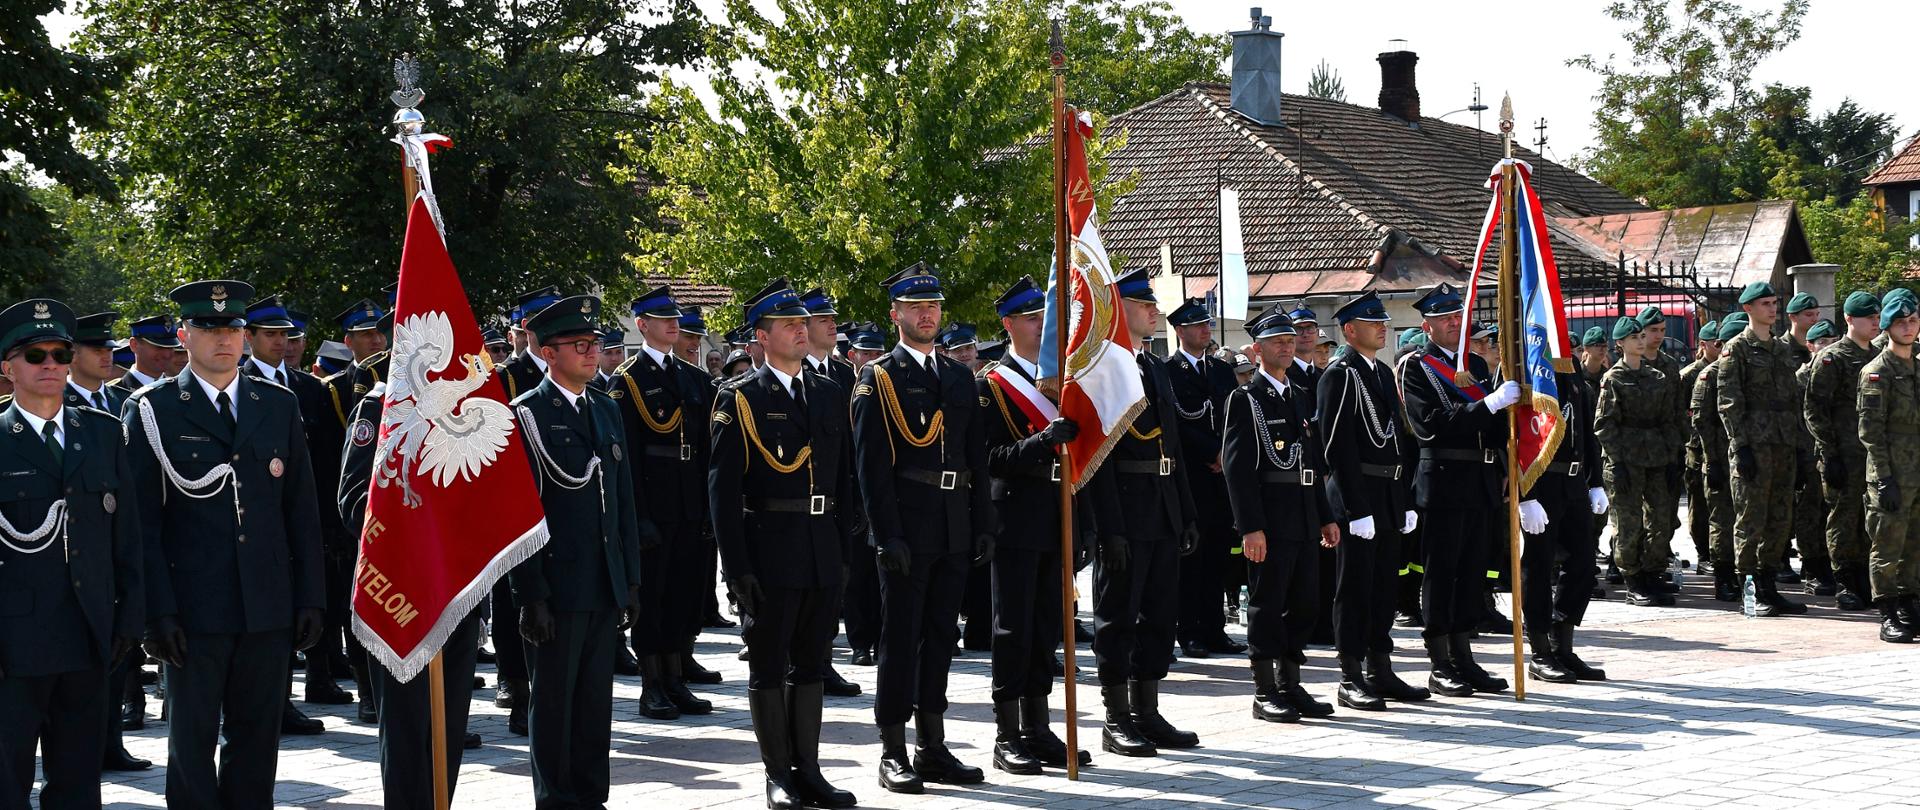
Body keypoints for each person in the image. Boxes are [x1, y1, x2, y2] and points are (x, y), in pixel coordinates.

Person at [124, 280, 327, 808]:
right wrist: (156, 614)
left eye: (233, 327)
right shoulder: (153, 409)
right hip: (193, 607)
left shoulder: (277, 404)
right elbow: (142, 526)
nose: (223, 338)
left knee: (257, 739)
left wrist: (310, 596)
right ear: (183, 335)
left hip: (266, 601)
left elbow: (301, 510)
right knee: (191, 742)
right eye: (209, 327)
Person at [710, 279, 860, 810]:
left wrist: (844, 553)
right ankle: (778, 774)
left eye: (803, 323)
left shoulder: (828, 391)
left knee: (812, 663)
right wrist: (737, 570)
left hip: (821, 546)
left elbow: (845, 481)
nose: (801, 331)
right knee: (769, 664)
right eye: (789, 325)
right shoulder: (741, 398)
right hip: (770, 548)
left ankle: (809, 770)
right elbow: (723, 494)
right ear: (762, 336)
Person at [851, 262, 993, 793]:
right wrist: (886, 534)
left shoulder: (957, 377)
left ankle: (932, 745)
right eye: (915, 308)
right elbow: (870, 468)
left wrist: (983, 521)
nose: (927, 315)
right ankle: (892, 749)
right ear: (896, 316)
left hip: (954, 523)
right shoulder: (879, 379)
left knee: (940, 638)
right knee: (900, 638)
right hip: (907, 526)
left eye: (932, 306)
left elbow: (975, 457)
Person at [0, 299, 144, 808]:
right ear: (7, 368)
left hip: (87, 631)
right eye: (35, 355)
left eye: (60, 354)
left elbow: (127, 535)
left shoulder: (101, 432)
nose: (50, 364)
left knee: (79, 781)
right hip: (14, 643)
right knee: (6, 780)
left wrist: (131, 617)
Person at [510, 294, 643, 809]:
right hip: (557, 585)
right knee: (553, 702)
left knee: (593, 701)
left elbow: (623, 502)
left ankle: (590, 795)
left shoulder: (605, 408)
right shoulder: (526, 415)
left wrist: (630, 579)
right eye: (579, 344)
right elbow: (520, 517)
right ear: (548, 352)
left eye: (594, 343)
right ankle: (556, 799)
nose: (592, 352)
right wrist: (531, 595)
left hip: (602, 580)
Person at [337, 388, 484, 810]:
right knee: (406, 727)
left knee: (449, 726)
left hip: (457, 592)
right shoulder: (378, 407)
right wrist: (418, 520)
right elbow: (352, 502)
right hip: (401, 594)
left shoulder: (465, 406)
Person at [1085, 268, 1202, 757]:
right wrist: (1108, 527)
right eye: (1144, 305)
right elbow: (1098, 457)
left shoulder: (1154, 367)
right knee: (1117, 617)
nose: (1155, 312)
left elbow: (1172, 444)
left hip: (1162, 507)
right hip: (1125, 511)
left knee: (1159, 615)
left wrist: (1186, 512)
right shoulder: (1102, 369)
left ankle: (1147, 711)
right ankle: (1116, 717)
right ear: (1119, 310)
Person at [975, 276, 1087, 773]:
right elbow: (989, 459)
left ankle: (1038, 727)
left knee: (1046, 628)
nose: (1042, 326)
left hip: (1056, 512)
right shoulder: (991, 385)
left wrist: (1082, 525)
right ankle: (1007, 734)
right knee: (1013, 628)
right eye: (1031, 318)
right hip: (1014, 516)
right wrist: (1042, 443)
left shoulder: (1062, 383)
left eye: (1045, 317)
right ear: (1008, 325)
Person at [1398, 283, 1518, 696]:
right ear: (1427, 327)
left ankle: (1464, 656)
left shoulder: (1477, 365)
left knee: (1471, 572)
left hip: (1481, 480)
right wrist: (1489, 405)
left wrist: (1510, 424)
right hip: (1444, 481)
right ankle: (1439, 662)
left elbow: (1494, 427)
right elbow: (1431, 425)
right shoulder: (1417, 367)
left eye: (1457, 317)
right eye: (1445, 318)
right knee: (1442, 571)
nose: (1453, 324)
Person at [1220, 304, 1338, 723]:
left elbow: (1311, 464)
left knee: (1304, 603)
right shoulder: (1246, 399)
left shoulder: (1299, 395)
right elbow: (1237, 469)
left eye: (1290, 341)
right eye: (1277, 342)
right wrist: (1250, 526)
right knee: (1267, 604)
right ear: (1257, 350)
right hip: (1270, 518)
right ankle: (1265, 689)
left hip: (1303, 516)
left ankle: (1291, 682)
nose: (1286, 347)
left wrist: (1325, 515)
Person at [1316, 292, 1426, 712]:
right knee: (1354, 589)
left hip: (1387, 493)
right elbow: (1336, 446)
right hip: (1357, 495)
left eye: (1383, 321)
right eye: (1372, 322)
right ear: (1349, 330)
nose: (1382, 327)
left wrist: (1404, 500)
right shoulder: (1340, 375)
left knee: (1384, 587)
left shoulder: (1380, 372)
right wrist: (1355, 508)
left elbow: (1397, 440)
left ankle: (1380, 668)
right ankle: (1350, 675)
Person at [610, 285, 710, 721]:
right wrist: (640, 516)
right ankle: (652, 683)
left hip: (688, 502)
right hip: (654, 502)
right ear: (642, 325)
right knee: (652, 597)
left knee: (684, 593)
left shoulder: (693, 377)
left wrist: (707, 507)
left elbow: (705, 449)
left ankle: (675, 677)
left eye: (675, 319)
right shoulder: (628, 381)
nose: (674, 325)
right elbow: (628, 457)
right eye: (664, 319)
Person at [490, 285, 563, 735]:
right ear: (526, 330)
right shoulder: (504, 377)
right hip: (515, 502)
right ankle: (516, 685)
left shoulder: (570, 371)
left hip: (560, 502)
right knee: (511, 599)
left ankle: (552, 690)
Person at [1519, 346, 1609, 683]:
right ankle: (1540, 651)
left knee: (1583, 564)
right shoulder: (1525, 364)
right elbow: (1516, 433)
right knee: (1539, 567)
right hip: (1540, 481)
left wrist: (1595, 481)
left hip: (1574, 481)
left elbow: (1585, 428)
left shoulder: (1569, 366)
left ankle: (1562, 642)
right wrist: (1524, 496)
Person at [1717, 283, 1807, 616]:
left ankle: (1770, 585)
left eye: (1774, 303)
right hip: (1753, 446)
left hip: (1783, 444)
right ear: (1748, 309)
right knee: (1751, 519)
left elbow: (1793, 400)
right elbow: (1729, 401)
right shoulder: (1736, 349)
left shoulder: (1782, 349)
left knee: (1779, 518)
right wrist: (1740, 446)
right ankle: (1750, 590)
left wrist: (1800, 447)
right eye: (1765, 304)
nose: (1772, 309)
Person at [1163, 298, 1244, 660]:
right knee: (1192, 556)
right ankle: (1190, 630)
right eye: (1197, 325)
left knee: (1218, 554)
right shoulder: (1169, 371)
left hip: (1223, 476)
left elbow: (1233, 417)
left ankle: (1214, 628)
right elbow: (1176, 424)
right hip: (1192, 474)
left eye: (1207, 323)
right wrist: (1212, 452)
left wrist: (1227, 453)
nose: (1205, 330)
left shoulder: (1222, 371)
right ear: (1180, 330)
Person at [796, 288, 864, 698]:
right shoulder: (792, 371)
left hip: (836, 496)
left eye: (832, 318)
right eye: (823, 319)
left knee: (833, 587)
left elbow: (850, 445)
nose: (832, 325)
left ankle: (824, 661)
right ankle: (804, 663)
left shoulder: (843, 375)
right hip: (801, 498)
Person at [1595, 316, 1680, 608]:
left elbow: (1668, 420)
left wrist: (1671, 458)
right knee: (1628, 523)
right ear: (1620, 343)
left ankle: (1652, 573)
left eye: (1642, 336)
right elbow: (1604, 424)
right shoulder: (1613, 379)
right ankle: (1632, 579)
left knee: (1660, 520)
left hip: (1655, 457)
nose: (1641, 342)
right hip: (1626, 460)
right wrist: (1616, 462)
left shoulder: (1657, 377)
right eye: (1634, 338)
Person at [1806, 293, 1882, 612]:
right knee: (1843, 518)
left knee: (1869, 519)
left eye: (1877, 316)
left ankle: (1865, 578)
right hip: (1843, 455)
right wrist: (1830, 453)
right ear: (1850, 319)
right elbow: (1814, 409)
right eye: (1869, 317)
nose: (1875, 322)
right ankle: (1845, 581)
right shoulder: (1832, 358)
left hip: (1872, 456)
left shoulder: (1879, 356)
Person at [1858, 289, 1920, 643]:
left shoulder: (1917, 368)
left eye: (1912, 321)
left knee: (1914, 545)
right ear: (1887, 327)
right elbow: (1871, 432)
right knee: (1887, 546)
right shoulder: (1877, 372)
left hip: (1917, 473)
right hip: (1892, 474)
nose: (1908, 328)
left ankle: (1910, 604)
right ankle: (1888, 612)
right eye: (1900, 322)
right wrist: (1884, 478)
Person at [1679, 320, 1723, 574]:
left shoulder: (1730, 368)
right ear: (1703, 345)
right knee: (1700, 502)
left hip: (1720, 445)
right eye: (1715, 343)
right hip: (1696, 447)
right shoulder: (1691, 375)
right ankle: (1703, 553)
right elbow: (1681, 413)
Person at [111, 315, 179, 395]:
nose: (167, 355)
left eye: (171, 347)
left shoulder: (180, 390)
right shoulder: (113, 395)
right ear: (134, 345)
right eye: (159, 347)